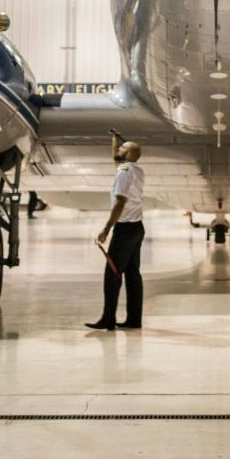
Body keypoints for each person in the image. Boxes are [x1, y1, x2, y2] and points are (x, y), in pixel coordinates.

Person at [85, 131, 145, 331]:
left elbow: (120, 202)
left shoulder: (124, 172)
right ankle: (134, 319)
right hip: (137, 228)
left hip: (125, 230)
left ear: (127, 154)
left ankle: (108, 319)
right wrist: (115, 141)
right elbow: (117, 160)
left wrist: (106, 229)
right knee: (133, 274)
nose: (118, 151)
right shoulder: (136, 169)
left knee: (112, 274)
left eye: (122, 148)